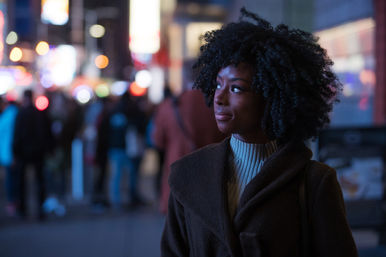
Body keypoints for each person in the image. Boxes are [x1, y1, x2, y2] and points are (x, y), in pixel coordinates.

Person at [161, 8, 358, 257]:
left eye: (236, 89)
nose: (218, 98)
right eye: (218, 84)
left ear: (272, 96)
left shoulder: (314, 182)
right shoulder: (187, 173)